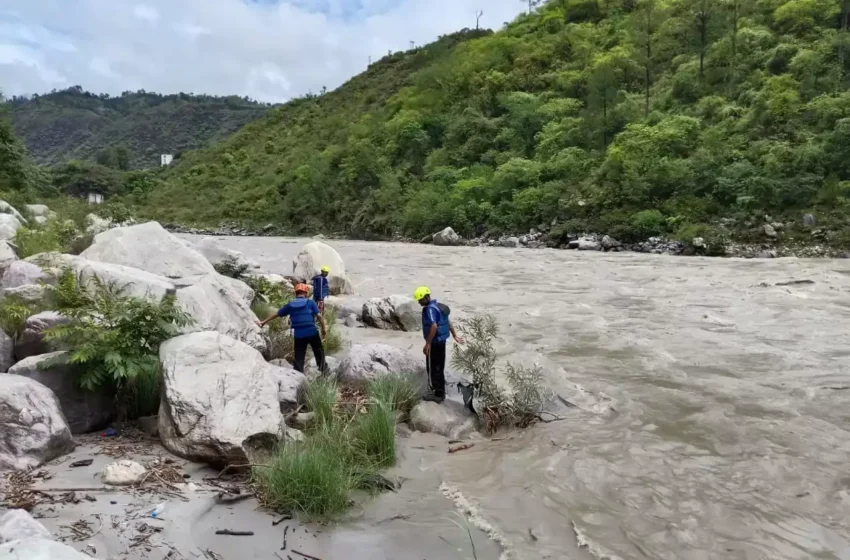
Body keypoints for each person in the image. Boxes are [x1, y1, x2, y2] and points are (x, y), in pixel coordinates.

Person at [257, 283, 328, 374]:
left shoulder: (290, 305)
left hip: (298, 335)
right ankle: (324, 370)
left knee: (299, 357)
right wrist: (324, 329)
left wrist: (263, 322)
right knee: (319, 351)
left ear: (296, 293)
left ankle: (298, 376)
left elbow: (276, 314)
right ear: (305, 293)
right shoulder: (310, 303)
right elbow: (319, 317)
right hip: (312, 333)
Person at [414, 285, 463, 403]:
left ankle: (436, 393)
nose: (420, 303)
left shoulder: (430, 309)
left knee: (432, 367)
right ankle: (441, 391)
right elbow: (448, 322)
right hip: (442, 342)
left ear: (426, 297)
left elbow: (434, 325)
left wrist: (428, 343)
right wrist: (455, 335)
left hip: (435, 343)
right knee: (439, 367)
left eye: (420, 300)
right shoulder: (439, 307)